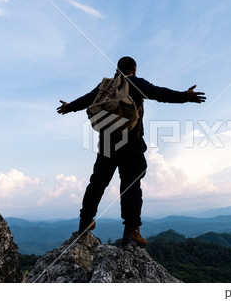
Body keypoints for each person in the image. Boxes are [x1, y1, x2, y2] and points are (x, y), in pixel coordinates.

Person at [56, 56, 206, 247]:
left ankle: (84, 223)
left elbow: (87, 100)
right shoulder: (134, 82)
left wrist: (69, 107)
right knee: (131, 184)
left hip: (108, 142)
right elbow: (159, 93)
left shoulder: (105, 86)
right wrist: (185, 96)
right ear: (133, 70)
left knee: (98, 182)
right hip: (130, 142)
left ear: (117, 70)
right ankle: (131, 231)